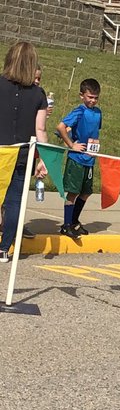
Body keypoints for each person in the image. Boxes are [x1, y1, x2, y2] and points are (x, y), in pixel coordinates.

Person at [0, 41, 48, 263]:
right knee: (14, 201)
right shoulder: (39, 94)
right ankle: (4, 248)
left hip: (1, 151)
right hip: (22, 154)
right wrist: (44, 159)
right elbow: (40, 129)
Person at [56, 77, 102, 239]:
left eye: (96, 97)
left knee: (86, 192)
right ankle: (66, 224)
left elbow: (95, 132)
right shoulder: (79, 111)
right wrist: (71, 144)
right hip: (77, 158)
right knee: (73, 192)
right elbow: (61, 127)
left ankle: (74, 221)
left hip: (90, 158)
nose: (93, 100)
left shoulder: (98, 113)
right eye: (90, 97)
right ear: (82, 95)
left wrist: (96, 145)